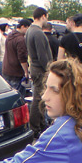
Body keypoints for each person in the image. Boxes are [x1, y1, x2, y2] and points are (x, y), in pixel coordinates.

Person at [25, 7, 54, 137]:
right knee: (38, 100)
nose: (46, 19)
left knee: (40, 99)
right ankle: (34, 128)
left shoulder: (29, 31)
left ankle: (41, 125)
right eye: (46, 17)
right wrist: (49, 70)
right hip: (40, 70)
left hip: (34, 68)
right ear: (43, 16)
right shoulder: (38, 33)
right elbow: (42, 56)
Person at [2, 18, 31, 96]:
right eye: (28, 28)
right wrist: (26, 72)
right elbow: (22, 58)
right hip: (16, 72)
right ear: (23, 27)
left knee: (8, 95)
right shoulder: (20, 39)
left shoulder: (10, 35)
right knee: (18, 97)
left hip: (6, 69)